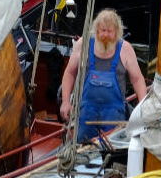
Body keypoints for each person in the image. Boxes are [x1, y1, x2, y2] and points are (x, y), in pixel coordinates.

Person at [59, 9, 147, 141]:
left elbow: (137, 79)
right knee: (82, 148)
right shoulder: (83, 44)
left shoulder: (125, 49)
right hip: (86, 114)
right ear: (96, 30)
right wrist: (65, 101)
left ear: (117, 32)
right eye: (102, 30)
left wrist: (142, 107)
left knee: (113, 150)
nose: (105, 35)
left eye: (109, 31)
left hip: (114, 116)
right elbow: (70, 73)